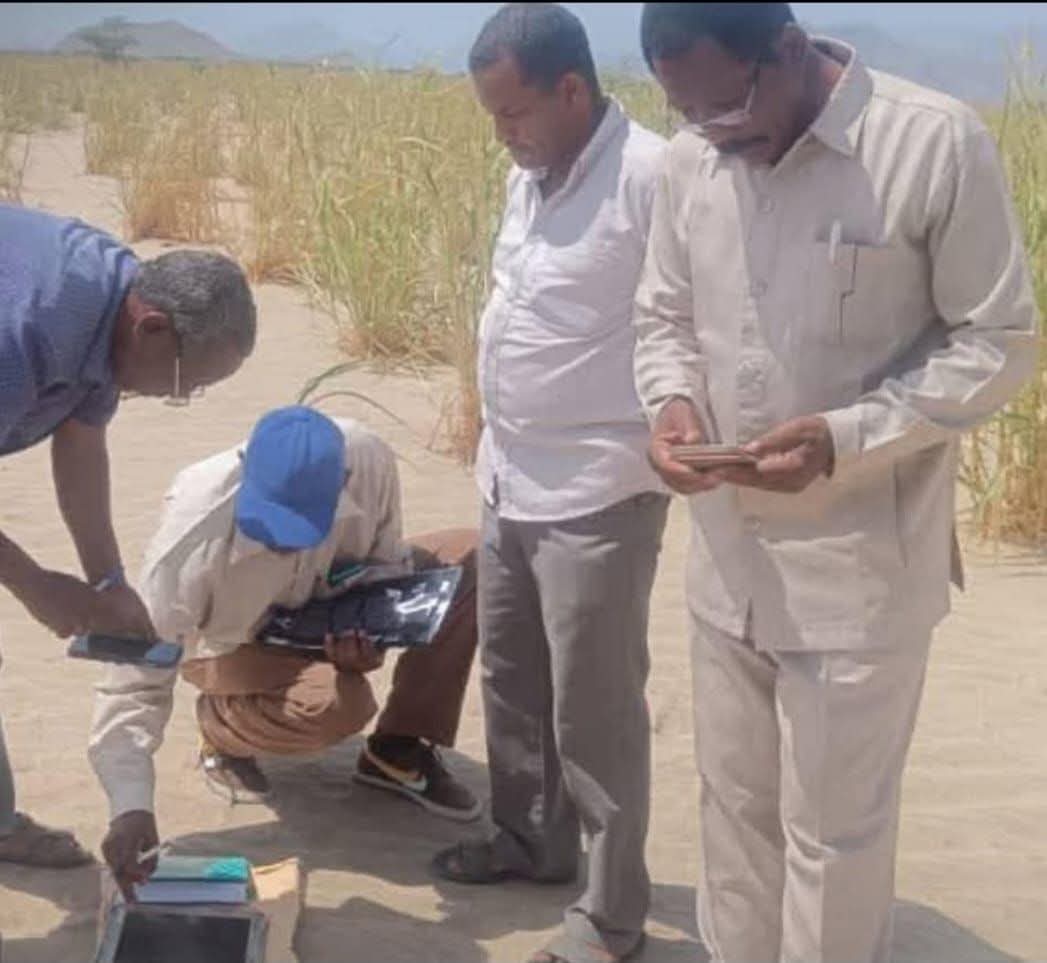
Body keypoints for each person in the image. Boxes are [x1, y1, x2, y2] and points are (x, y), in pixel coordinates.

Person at [634, 5, 1039, 962]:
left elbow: (998, 342)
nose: (712, 135)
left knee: (833, 836)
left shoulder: (930, 143)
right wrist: (671, 404)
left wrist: (845, 438)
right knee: (734, 811)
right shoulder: (691, 160)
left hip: (856, 573)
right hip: (726, 566)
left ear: (787, 50)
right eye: (688, 114)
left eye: (726, 107)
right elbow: (662, 315)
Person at [431, 6, 670, 963]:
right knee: (513, 680)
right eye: (491, 115)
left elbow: (688, 321)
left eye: (513, 112)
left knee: (594, 710)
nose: (503, 134)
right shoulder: (524, 175)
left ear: (572, 90)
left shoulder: (652, 176)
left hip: (599, 488)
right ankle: (528, 841)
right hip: (509, 476)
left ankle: (610, 916)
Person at [90, 406, 481, 900]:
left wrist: (370, 639)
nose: (281, 545)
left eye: (301, 528)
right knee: (338, 704)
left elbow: (386, 566)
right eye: (267, 527)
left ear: (342, 482)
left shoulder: (366, 459)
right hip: (231, 644)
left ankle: (397, 748)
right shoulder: (189, 543)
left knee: (472, 557)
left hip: (327, 606)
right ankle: (222, 732)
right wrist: (130, 808)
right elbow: (133, 685)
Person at [0, 203, 256, 868]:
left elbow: (80, 439)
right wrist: (34, 584)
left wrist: (107, 580)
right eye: (183, 385)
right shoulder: (26, 330)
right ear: (152, 327)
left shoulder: (116, 305)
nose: (179, 398)